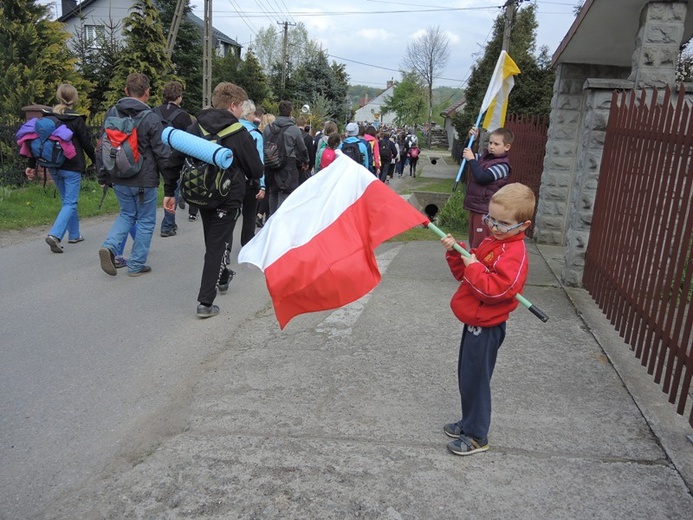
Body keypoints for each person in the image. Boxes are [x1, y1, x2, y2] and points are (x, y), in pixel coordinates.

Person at [440, 182, 535, 456]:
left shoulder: (514, 253)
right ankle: (469, 422)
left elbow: (498, 289)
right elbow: (467, 273)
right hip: (474, 321)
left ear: (524, 225)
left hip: (488, 325)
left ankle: (477, 435)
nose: (494, 226)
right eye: (491, 218)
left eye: (504, 223)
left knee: (477, 379)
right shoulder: (494, 241)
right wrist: (457, 252)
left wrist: (474, 268)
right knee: (466, 375)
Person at [162, 82, 264, 318]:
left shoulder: (194, 128)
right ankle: (205, 302)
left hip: (200, 194)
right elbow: (256, 169)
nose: (241, 112)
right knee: (216, 245)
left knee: (214, 241)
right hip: (228, 197)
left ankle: (223, 275)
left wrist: (169, 191)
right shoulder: (238, 133)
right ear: (232, 105)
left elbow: (174, 160)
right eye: (240, 107)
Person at [97, 72, 170, 277]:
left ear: (125, 91)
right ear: (147, 93)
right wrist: (171, 183)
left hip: (118, 175)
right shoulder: (151, 118)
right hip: (144, 179)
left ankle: (110, 246)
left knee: (126, 214)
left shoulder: (112, 113)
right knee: (146, 220)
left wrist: (104, 175)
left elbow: (101, 146)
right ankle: (136, 265)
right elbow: (162, 153)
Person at [24, 84, 95, 253]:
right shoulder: (76, 119)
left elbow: (35, 140)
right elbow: (87, 144)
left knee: (67, 201)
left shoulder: (47, 118)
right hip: (72, 166)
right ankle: (55, 235)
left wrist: (31, 165)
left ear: (58, 96)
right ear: (74, 99)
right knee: (70, 202)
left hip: (52, 164)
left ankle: (75, 234)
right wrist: (96, 162)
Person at [463, 127, 513, 249]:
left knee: (480, 244)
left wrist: (472, 160)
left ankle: (481, 266)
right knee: (473, 241)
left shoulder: (503, 166)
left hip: (485, 210)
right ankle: (474, 265)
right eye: (490, 143)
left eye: (496, 144)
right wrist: (471, 140)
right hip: (475, 206)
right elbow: (464, 155)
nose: (491, 146)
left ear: (506, 147)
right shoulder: (484, 158)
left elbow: (482, 177)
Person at [156, 80, 193, 238]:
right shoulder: (183, 116)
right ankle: (168, 224)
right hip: (172, 157)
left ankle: (150, 219)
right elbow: (188, 140)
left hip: (155, 155)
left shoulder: (153, 112)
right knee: (172, 188)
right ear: (178, 97)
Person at [262, 100, 308, 215]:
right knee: (285, 194)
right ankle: (280, 221)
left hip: (271, 164)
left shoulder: (269, 128)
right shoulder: (294, 129)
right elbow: (302, 149)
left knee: (273, 192)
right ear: (290, 112)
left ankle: (271, 219)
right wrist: (305, 161)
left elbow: (263, 145)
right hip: (288, 166)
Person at [238, 99, 265, 246]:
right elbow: (260, 162)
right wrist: (262, 185)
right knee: (249, 215)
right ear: (250, 114)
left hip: (232, 179)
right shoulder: (256, 135)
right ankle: (247, 244)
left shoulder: (231, 130)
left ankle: (225, 250)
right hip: (250, 180)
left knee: (230, 216)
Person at [255, 113, 275, 227]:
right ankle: (262, 214)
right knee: (268, 190)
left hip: (259, 164)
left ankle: (259, 213)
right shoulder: (271, 134)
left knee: (263, 190)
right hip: (269, 163)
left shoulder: (258, 132)